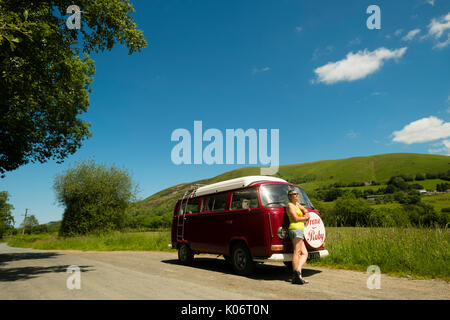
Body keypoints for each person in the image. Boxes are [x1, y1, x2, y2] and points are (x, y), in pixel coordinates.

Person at [286, 190, 310, 284]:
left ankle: (297, 273)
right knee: (297, 252)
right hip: (295, 229)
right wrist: (305, 218)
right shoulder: (290, 205)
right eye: (294, 194)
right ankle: (296, 275)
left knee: (305, 253)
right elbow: (295, 218)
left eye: (297, 194)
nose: (296, 195)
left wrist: (306, 213)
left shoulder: (297, 205)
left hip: (299, 230)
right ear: (290, 196)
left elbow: (304, 210)